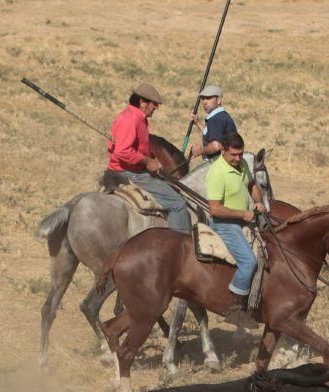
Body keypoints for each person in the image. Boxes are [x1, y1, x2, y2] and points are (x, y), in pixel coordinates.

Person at [106, 83, 192, 234]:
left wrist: (149, 157)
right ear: (142, 102)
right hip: (131, 173)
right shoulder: (131, 119)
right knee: (178, 204)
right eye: (154, 104)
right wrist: (147, 161)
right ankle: (179, 245)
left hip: (130, 169)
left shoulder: (134, 117)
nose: (156, 108)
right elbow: (122, 151)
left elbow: (116, 148)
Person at [205, 132, 265, 329]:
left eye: (240, 154)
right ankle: (236, 309)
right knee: (249, 262)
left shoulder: (241, 165)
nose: (237, 158)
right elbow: (215, 209)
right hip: (224, 223)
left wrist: (258, 201)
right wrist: (243, 215)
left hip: (243, 219)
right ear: (222, 150)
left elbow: (251, 184)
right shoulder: (217, 172)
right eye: (233, 155)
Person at [188, 84, 237, 161]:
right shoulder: (221, 116)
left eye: (208, 98)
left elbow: (216, 146)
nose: (204, 102)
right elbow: (211, 134)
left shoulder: (216, 119)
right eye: (203, 99)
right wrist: (198, 123)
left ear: (218, 100)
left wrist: (200, 150)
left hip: (219, 165)